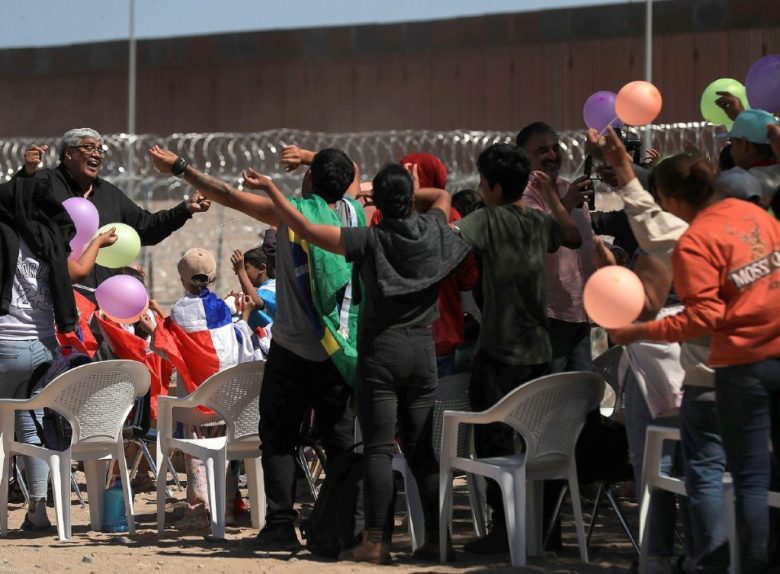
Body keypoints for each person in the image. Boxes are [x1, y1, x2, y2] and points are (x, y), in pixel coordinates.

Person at [243, 161, 470, 563]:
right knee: (421, 451)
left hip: (381, 352)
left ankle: (375, 542)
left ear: (376, 203)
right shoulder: (435, 228)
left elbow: (308, 230)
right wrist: (409, 189)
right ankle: (437, 539)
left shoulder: (369, 238)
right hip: (422, 350)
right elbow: (440, 197)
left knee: (379, 449)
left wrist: (275, 191)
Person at [149, 144, 363, 551]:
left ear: (312, 179)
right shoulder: (354, 213)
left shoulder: (291, 214)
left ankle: (281, 524)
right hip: (339, 349)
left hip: (293, 348)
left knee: (279, 437)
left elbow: (227, 195)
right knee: (339, 441)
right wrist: (311, 158)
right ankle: (342, 526)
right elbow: (350, 169)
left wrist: (179, 167)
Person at [606, 146, 780, 574]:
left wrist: (637, 331)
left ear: (672, 198)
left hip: (734, 370)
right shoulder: (759, 219)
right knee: (763, 478)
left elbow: (704, 317)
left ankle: (719, 565)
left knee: (712, 475)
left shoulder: (696, 241)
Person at [451, 142, 582, 554]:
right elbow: (573, 235)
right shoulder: (538, 221)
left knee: (492, 441)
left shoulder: (486, 220)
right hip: (539, 348)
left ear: (489, 185)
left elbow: (449, 240)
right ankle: (547, 532)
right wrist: (552, 200)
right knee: (541, 441)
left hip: (499, 348)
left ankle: (503, 529)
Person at [0, 175, 116, 531]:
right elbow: (80, 271)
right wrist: (97, 240)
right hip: (43, 349)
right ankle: (38, 510)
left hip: (4, 343)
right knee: (31, 427)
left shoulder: (4, 234)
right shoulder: (50, 240)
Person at [141, 247, 259, 529]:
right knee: (224, 454)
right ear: (213, 277)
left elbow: (167, 350)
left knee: (197, 454)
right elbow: (240, 342)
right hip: (227, 405)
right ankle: (228, 507)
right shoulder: (222, 309)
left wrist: (150, 329)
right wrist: (242, 316)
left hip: (197, 405)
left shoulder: (180, 313)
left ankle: (198, 509)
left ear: (183, 279)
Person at [19, 128, 211, 293]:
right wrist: (27, 173)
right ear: (69, 153)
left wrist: (185, 209)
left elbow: (147, 228)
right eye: (89, 148)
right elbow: (13, 202)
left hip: (100, 303)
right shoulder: (44, 183)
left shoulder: (109, 194)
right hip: (53, 298)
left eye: (100, 150)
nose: (97, 154)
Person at [369, 152, 479, 377]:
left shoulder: (382, 217)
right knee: (437, 406)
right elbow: (469, 275)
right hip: (441, 333)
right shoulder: (451, 216)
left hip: (393, 332)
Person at [517, 122, 597, 373]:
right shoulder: (523, 194)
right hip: (549, 312)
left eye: (554, 148)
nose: (552, 155)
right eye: (542, 151)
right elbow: (540, 237)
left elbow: (583, 238)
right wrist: (567, 203)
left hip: (579, 309)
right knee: (552, 395)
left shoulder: (566, 187)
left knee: (584, 393)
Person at [230, 246, 277, 331]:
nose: (243, 272)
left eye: (246, 268)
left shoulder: (273, 287)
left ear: (261, 268)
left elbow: (254, 301)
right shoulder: (264, 288)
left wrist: (241, 271)